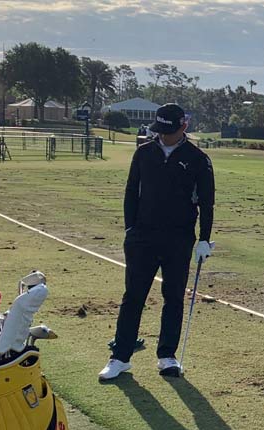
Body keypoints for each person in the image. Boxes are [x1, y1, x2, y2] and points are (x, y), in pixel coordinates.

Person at [99, 103, 215, 380]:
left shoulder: (198, 159)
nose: (163, 136)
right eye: (160, 131)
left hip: (179, 239)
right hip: (142, 238)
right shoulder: (144, 153)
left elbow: (207, 202)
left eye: (169, 131)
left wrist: (204, 239)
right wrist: (130, 229)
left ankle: (167, 356)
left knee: (173, 297)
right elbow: (131, 192)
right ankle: (120, 357)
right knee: (133, 297)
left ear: (183, 126)